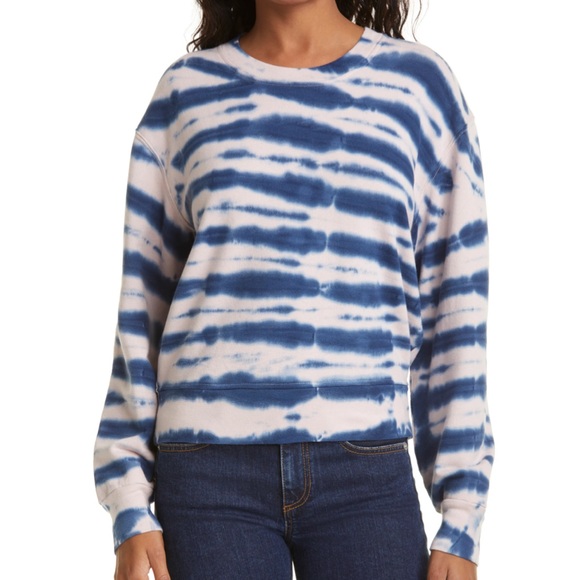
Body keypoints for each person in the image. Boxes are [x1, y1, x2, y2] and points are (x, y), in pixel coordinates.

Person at [94, 1, 494, 578]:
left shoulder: (418, 86)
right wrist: (128, 499)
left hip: (366, 471)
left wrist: (462, 516)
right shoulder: (186, 91)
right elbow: (141, 311)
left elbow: (455, 303)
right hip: (207, 476)